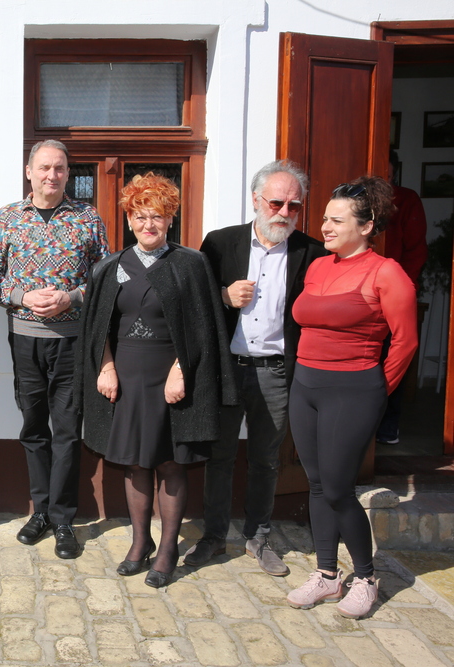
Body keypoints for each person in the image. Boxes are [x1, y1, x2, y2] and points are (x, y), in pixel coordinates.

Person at [76, 173, 236, 587]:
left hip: (174, 378)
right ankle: (139, 542)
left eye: (158, 216)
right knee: (134, 462)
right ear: (129, 219)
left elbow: (203, 328)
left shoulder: (190, 264)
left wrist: (181, 372)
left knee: (171, 463)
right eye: (141, 216)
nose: (149, 224)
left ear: (170, 219)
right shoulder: (110, 267)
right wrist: (106, 367)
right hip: (126, 378)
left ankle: (167, 550)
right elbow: (97, 328)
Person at [286, 176, 417, 618]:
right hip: (306, 387)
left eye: (336, 220)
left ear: (366, 226)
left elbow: (405, 341)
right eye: (325, 218)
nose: (325, 226)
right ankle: (326, 574)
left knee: (339, 488)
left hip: (353, 390)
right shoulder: (319, 267)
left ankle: (365, 578)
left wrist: (376, 391)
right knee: (317, 484)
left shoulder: (387, 272)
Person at [188, 160, 327, 575]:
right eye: (276, 203)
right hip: (228, 369)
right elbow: (194, 299)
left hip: (277, 373)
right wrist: (223, 295)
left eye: (294, 206)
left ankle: (258, 536)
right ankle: (214, 536)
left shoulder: (311, 253)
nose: (284, 213)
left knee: (267, 459)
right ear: (255, 200)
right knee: (220, 456)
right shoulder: (220, 243)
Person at [0, 139, 110, 559]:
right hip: (25, 340)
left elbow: (105, 278)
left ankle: (63, 519)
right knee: (34, 428)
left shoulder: (87, 218)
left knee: (68, 431)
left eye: (59, 168)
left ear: (68, 173)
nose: (51, 175)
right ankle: (40, 511)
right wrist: (22, 296)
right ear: (29, 171)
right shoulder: (8, 218)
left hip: (72, 342)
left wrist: (71, 298)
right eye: (44, 167)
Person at [376, 149, 428, 445]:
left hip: (393, 295)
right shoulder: (356, 200)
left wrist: (400, 289)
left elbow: (416, 250)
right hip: (361, 295)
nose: (385, 180)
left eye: (389, 174)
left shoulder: (406, 200)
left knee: (392, 357)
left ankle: (387, 428)